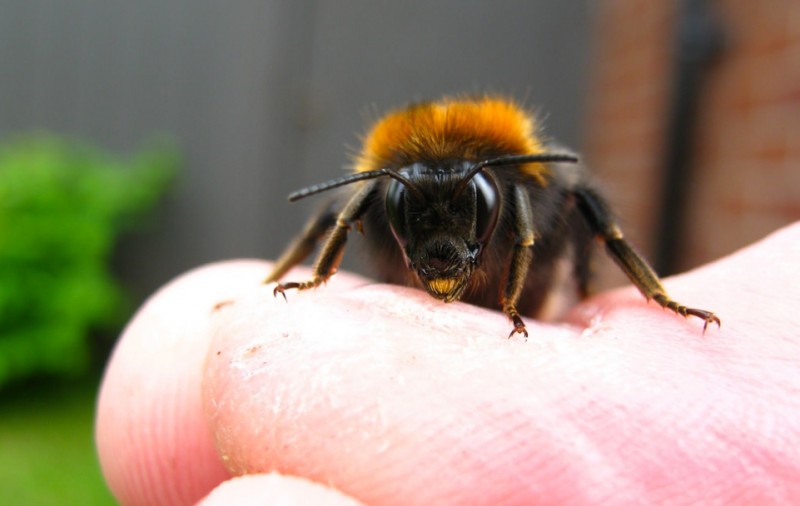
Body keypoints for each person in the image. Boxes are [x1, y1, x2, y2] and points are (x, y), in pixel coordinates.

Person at [95, 223, 800, 505]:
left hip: (528, 303)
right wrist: (297, 278)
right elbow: (345, 215)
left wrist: (552, 296)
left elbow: (581, 209)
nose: (441, 243)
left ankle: (640, 296)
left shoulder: (522, 198)